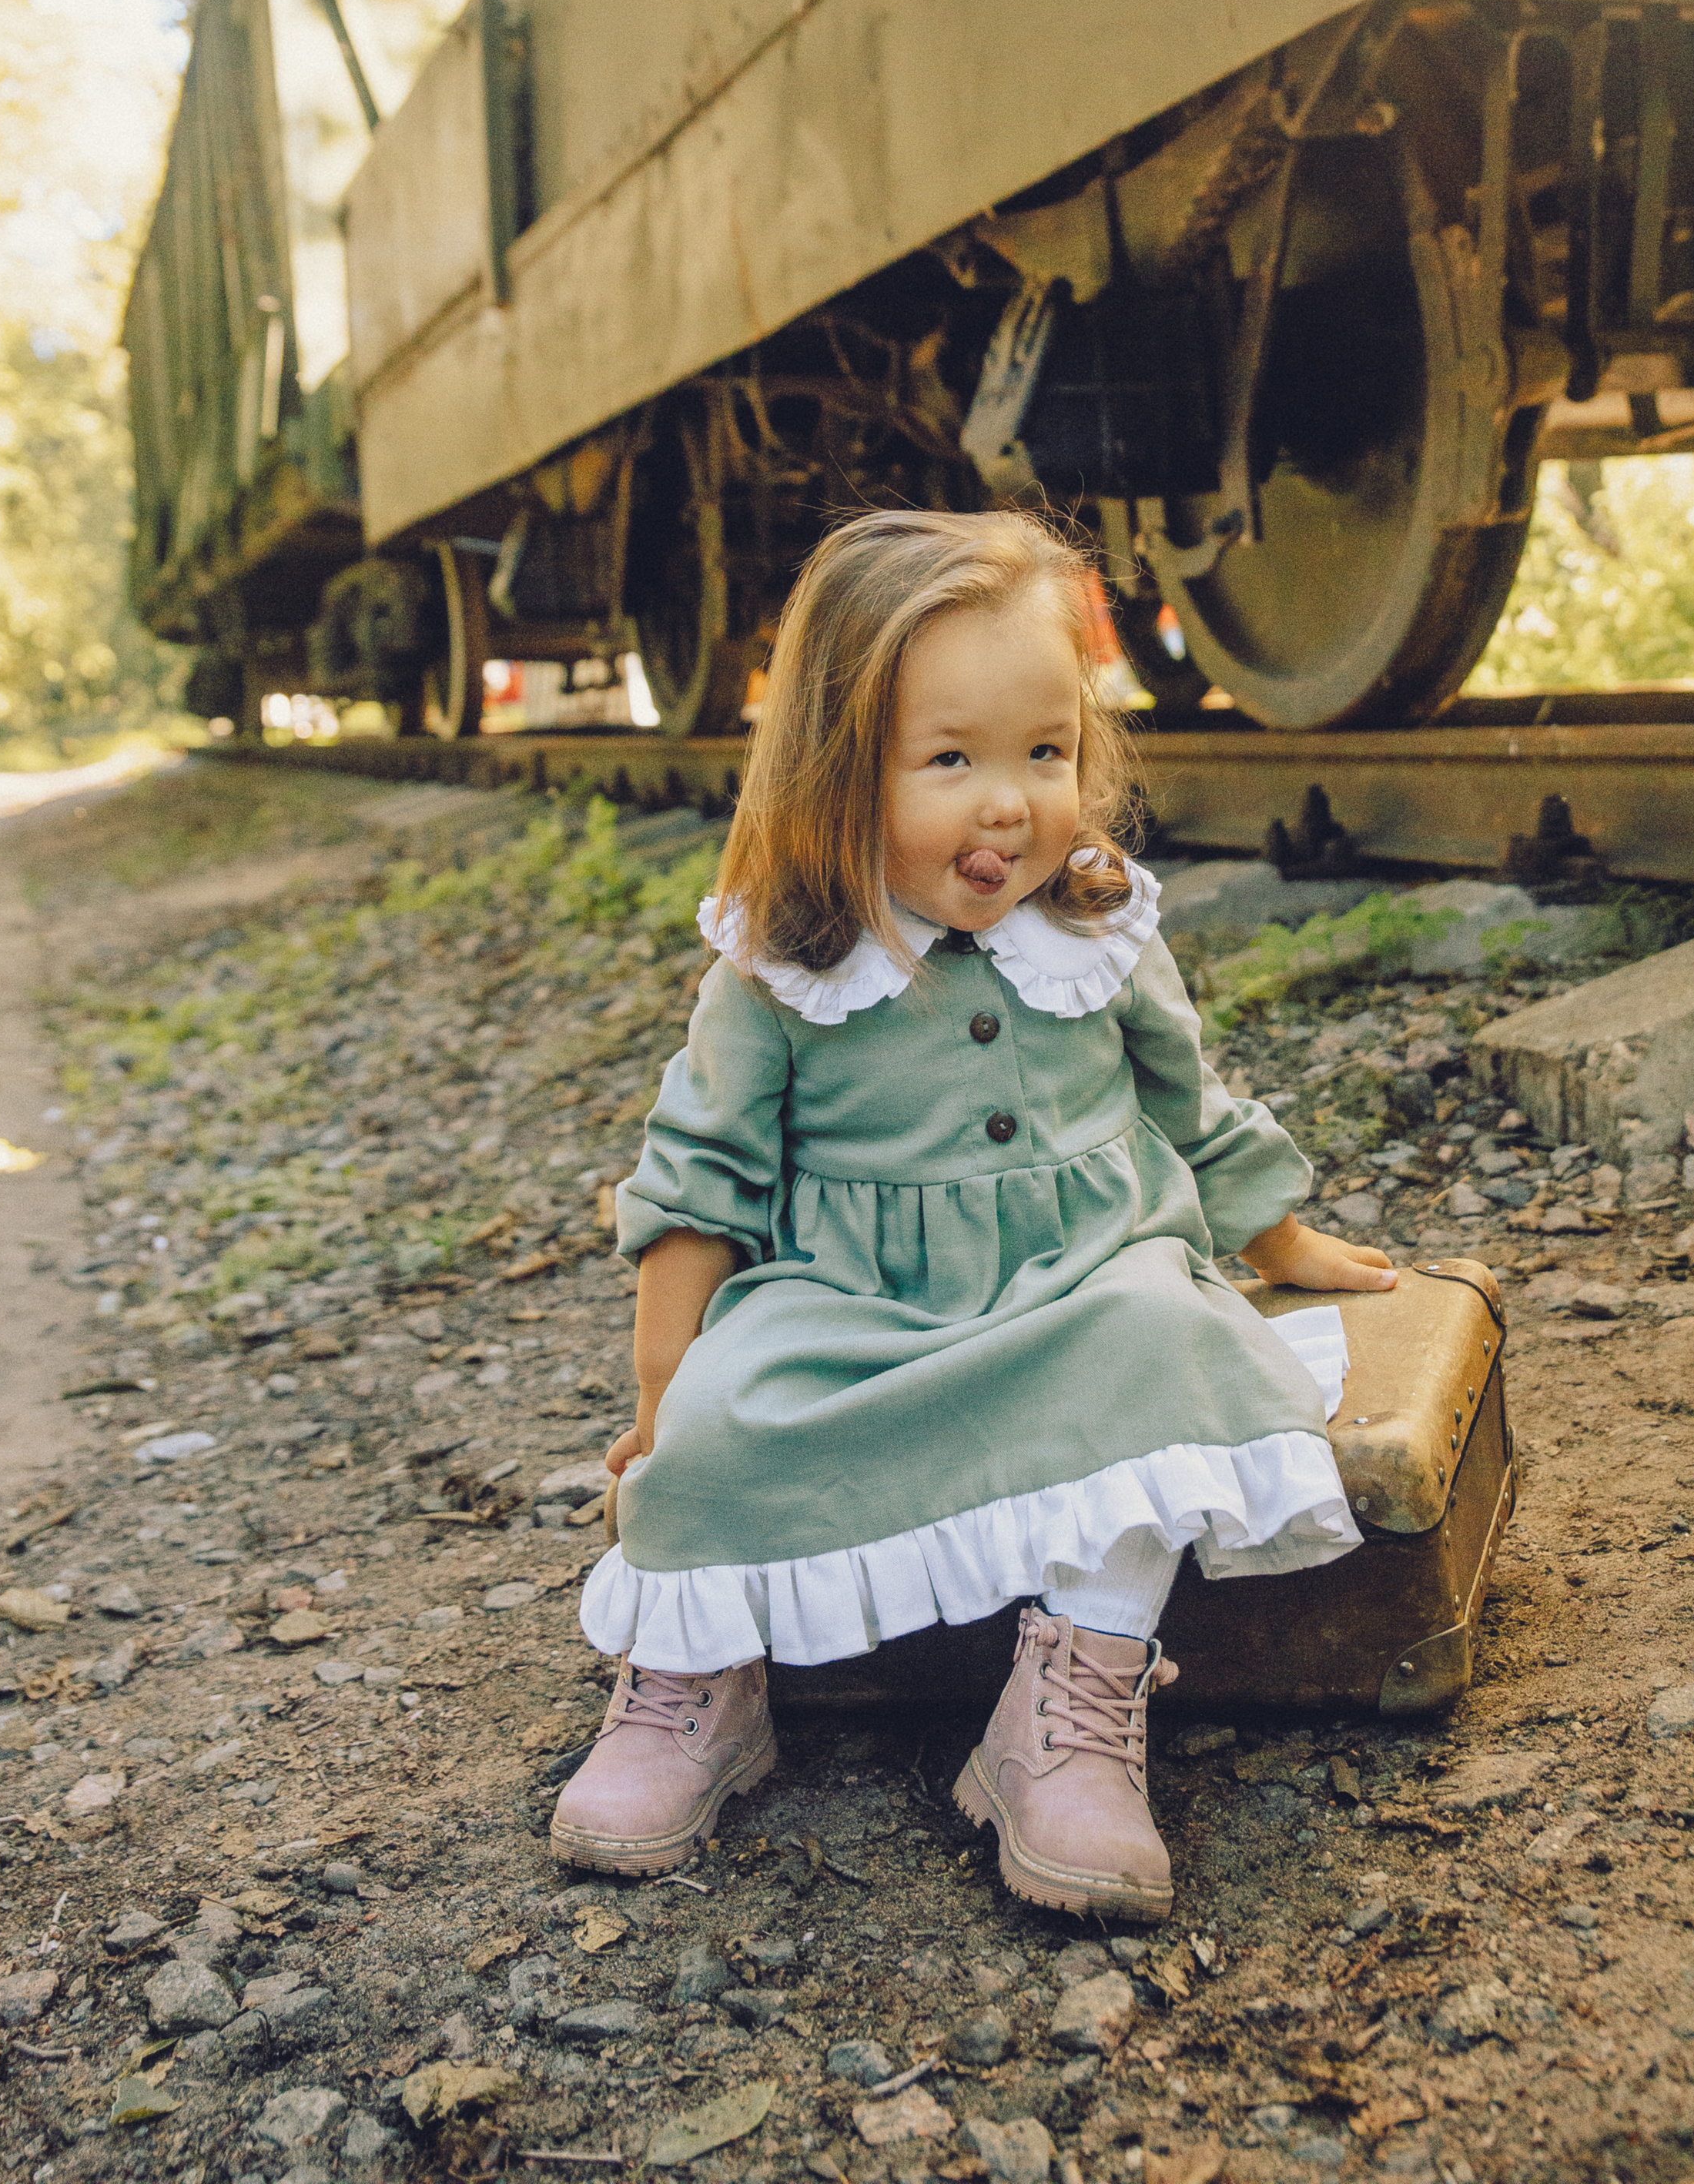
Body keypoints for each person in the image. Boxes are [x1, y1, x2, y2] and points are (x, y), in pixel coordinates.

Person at [553, 509, 1394, 1921]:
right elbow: (699, 1168)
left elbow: (1187, 1097)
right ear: (838, 767)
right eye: (952, 762)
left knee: (1157, 1354)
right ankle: (701, 1688)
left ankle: (1064, 1714)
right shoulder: (783, 961)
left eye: (1045, 755)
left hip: (1083, 1274)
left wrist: (1275, 1237)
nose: (1011, 803)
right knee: (714, 1430)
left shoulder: (1095, 922)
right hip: (851, 1299)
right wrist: (663, 1377)